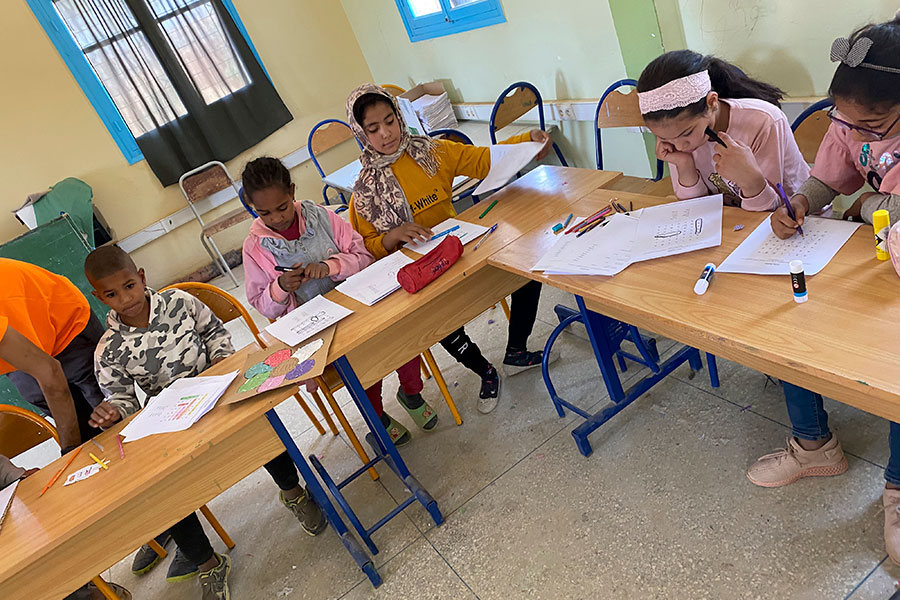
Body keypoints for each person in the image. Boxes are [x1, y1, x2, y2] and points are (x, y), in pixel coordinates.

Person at [84, 245, 325, 599]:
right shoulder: (108, 349)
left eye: (129, 286)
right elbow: (122, 399)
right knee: (160, 488)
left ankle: (293, 491)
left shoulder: (180, 302)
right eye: (111, 294)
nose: (125, 298)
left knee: (258, 427)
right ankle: (206, 562)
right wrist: (113, 412)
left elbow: (214, 333)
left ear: (141, 277)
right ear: (98, 297)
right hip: (171, 420)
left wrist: (221, 367)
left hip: (219, 390)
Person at [760, 16, 900, 566]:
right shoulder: (848, 124)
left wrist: (867, 209)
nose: (855, 132)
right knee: (794, 318)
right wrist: (801, 202)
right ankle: (814, 444)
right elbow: (830, 178)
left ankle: (896, 486)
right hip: (871, 249)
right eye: (847, 119)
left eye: (875, 123)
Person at [345, 83, 557, 415]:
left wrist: (525, 142)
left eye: (390, 120)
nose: (387, 133)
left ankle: (516, 349)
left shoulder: (431, 152)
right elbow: (367, 248)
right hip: (420, 275)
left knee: (526, 271)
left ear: (400, 116)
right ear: (361, 133)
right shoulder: (364, 191)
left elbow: (483, 160)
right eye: (373, 129)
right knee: (438, 321)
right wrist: (394, 235)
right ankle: (484, 370)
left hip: (459, 249)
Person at [637, 50, 809, 209]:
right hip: (735, 220)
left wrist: (751, 180)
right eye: (664, 138)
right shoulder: (678, 135)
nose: (679, 146)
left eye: (687, 133)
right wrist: (684, 164)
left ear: (712, 103)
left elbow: (772, 210)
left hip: (797, 218)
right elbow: (696, 210)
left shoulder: (764, 121)